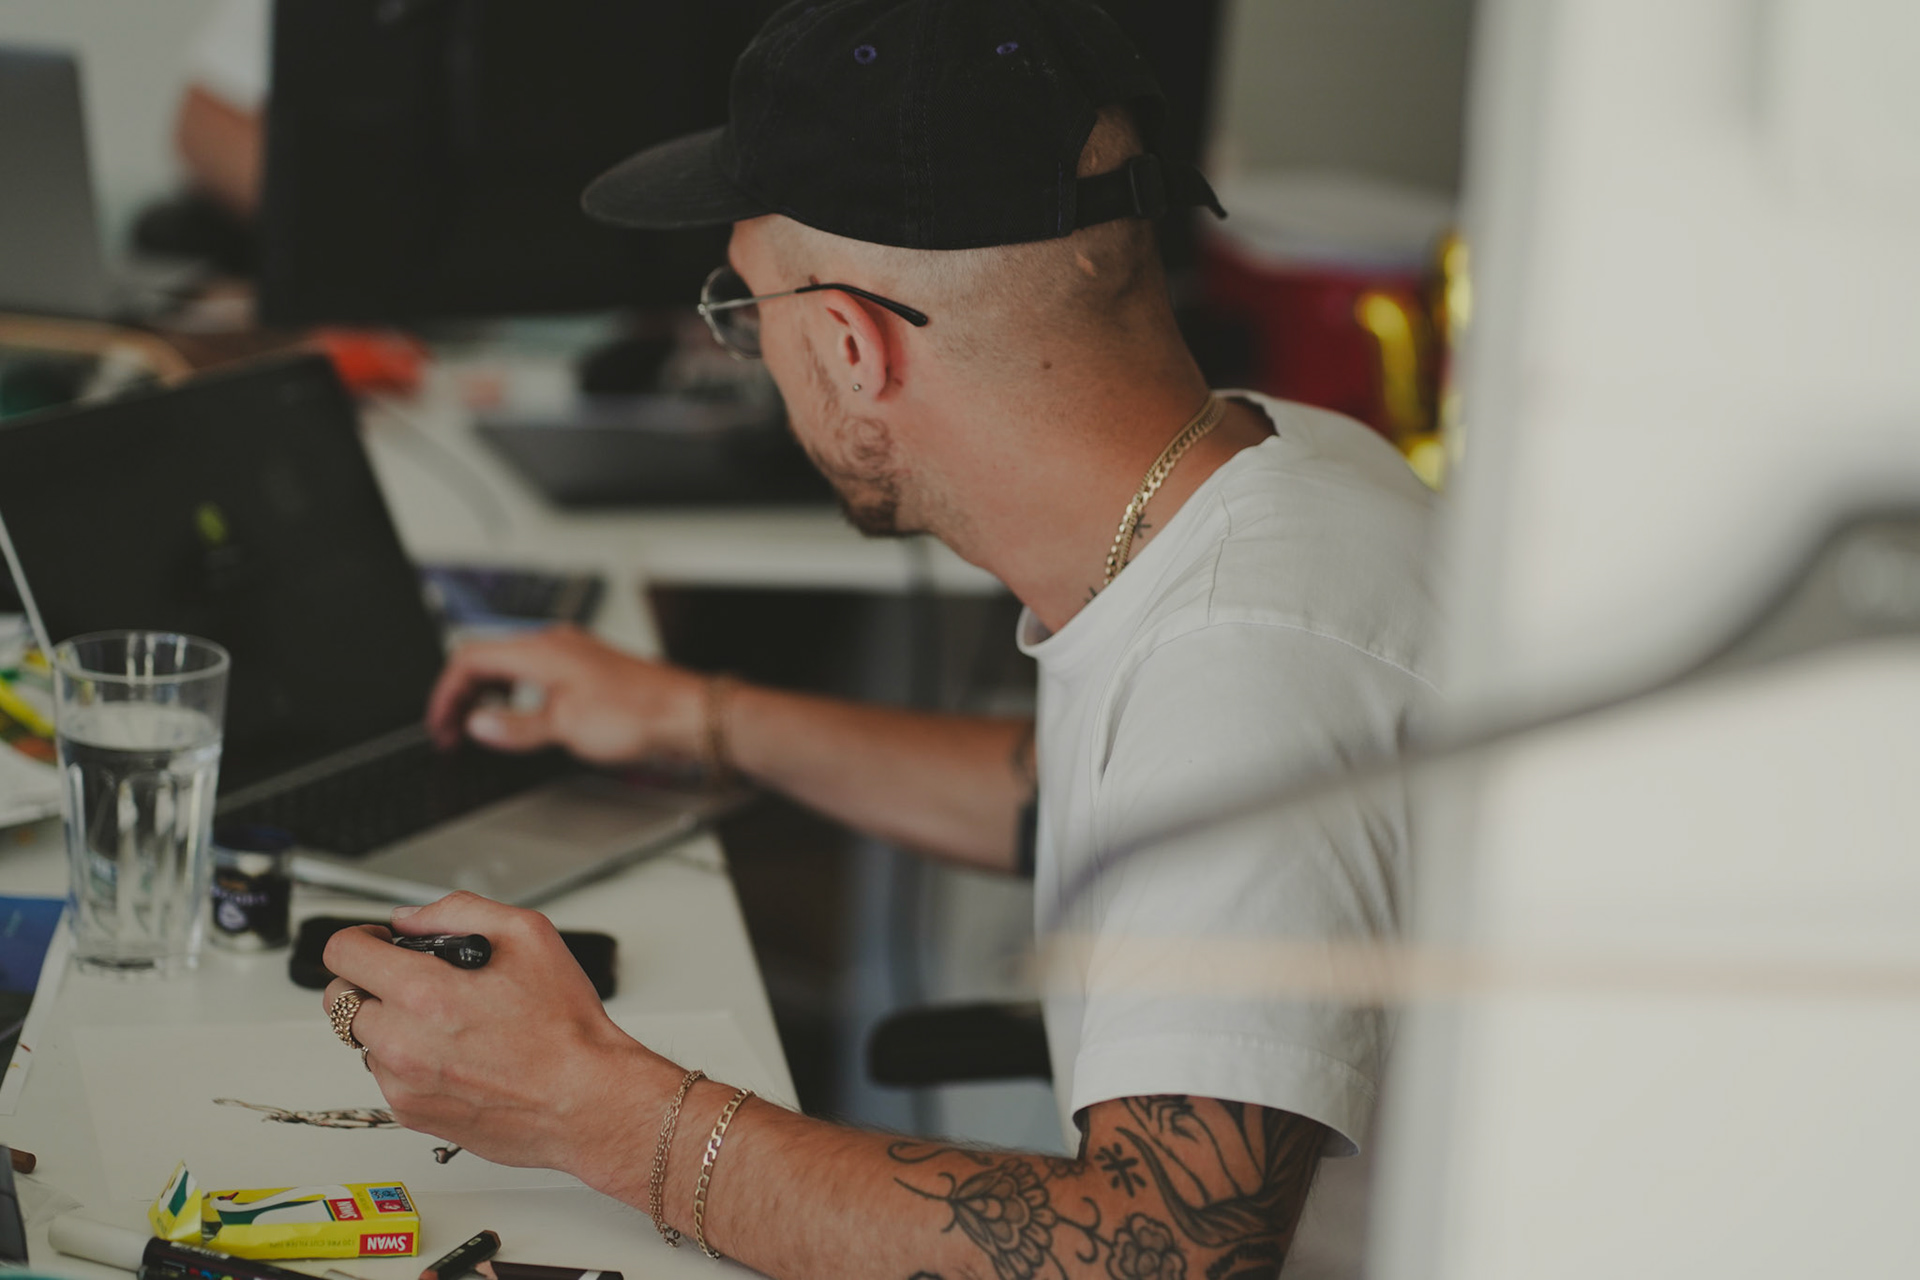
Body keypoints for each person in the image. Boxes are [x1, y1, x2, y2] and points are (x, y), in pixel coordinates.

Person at [321, 2, 1438, 1277]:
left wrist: (590, 1105)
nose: (751, 351)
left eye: (743, 309)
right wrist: (700, 714)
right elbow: (1073, 793)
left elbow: (1159, 1256)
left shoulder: (1243, 665)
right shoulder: (1288, 468)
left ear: (852, 346)